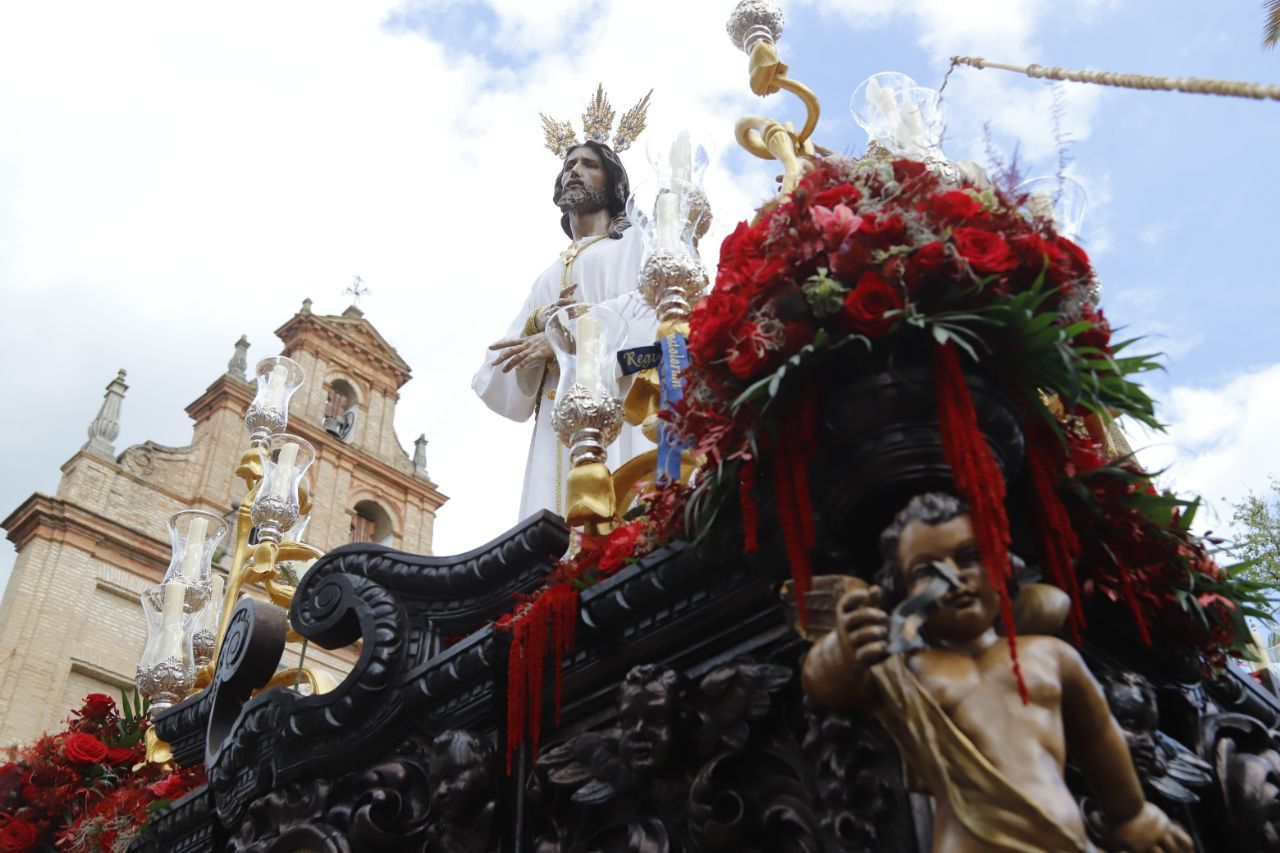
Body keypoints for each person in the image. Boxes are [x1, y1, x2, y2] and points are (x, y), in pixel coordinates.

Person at [800, 492, 1193, 853]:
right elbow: (823, 682)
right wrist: (844, 649)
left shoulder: (1050, 655)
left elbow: (1097, 735)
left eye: (969, 556)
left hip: (1062, 840)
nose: (952, 579)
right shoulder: (904, 669)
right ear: (902, 594)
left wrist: (1131, 814)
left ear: (1003, 565)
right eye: (927, 572)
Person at [472, 134, 656, 522]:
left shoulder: (636, 242)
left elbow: (658, 307)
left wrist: (568, 338)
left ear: (613, 183)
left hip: (619, 405)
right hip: (556, 429)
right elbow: (493, 377)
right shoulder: (547, 277)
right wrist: (535, 326)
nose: (575, 171)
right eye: (569, 165)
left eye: (590, 165)